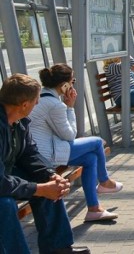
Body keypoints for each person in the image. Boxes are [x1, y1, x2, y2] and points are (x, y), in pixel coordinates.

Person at [1, 73, 91, 254]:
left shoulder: (19, 122)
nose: (37, 104)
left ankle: (58, 248)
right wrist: (39, 189)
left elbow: (29, 153)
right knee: (5, 205)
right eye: (36, 100)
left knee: (50, 184)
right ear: (24, 104)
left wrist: (50, 175)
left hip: (6, 173)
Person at [29, 64, 122, 223]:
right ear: (63, 85)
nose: (73, 85)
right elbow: (69, 135)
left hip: (45, 151)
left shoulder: (43, 98)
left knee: (91, 158)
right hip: (47, 156)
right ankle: (105, 181)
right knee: (97, 142)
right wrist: (70, 107)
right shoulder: (54, 105)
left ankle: (94, 209)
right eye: (72, 81)